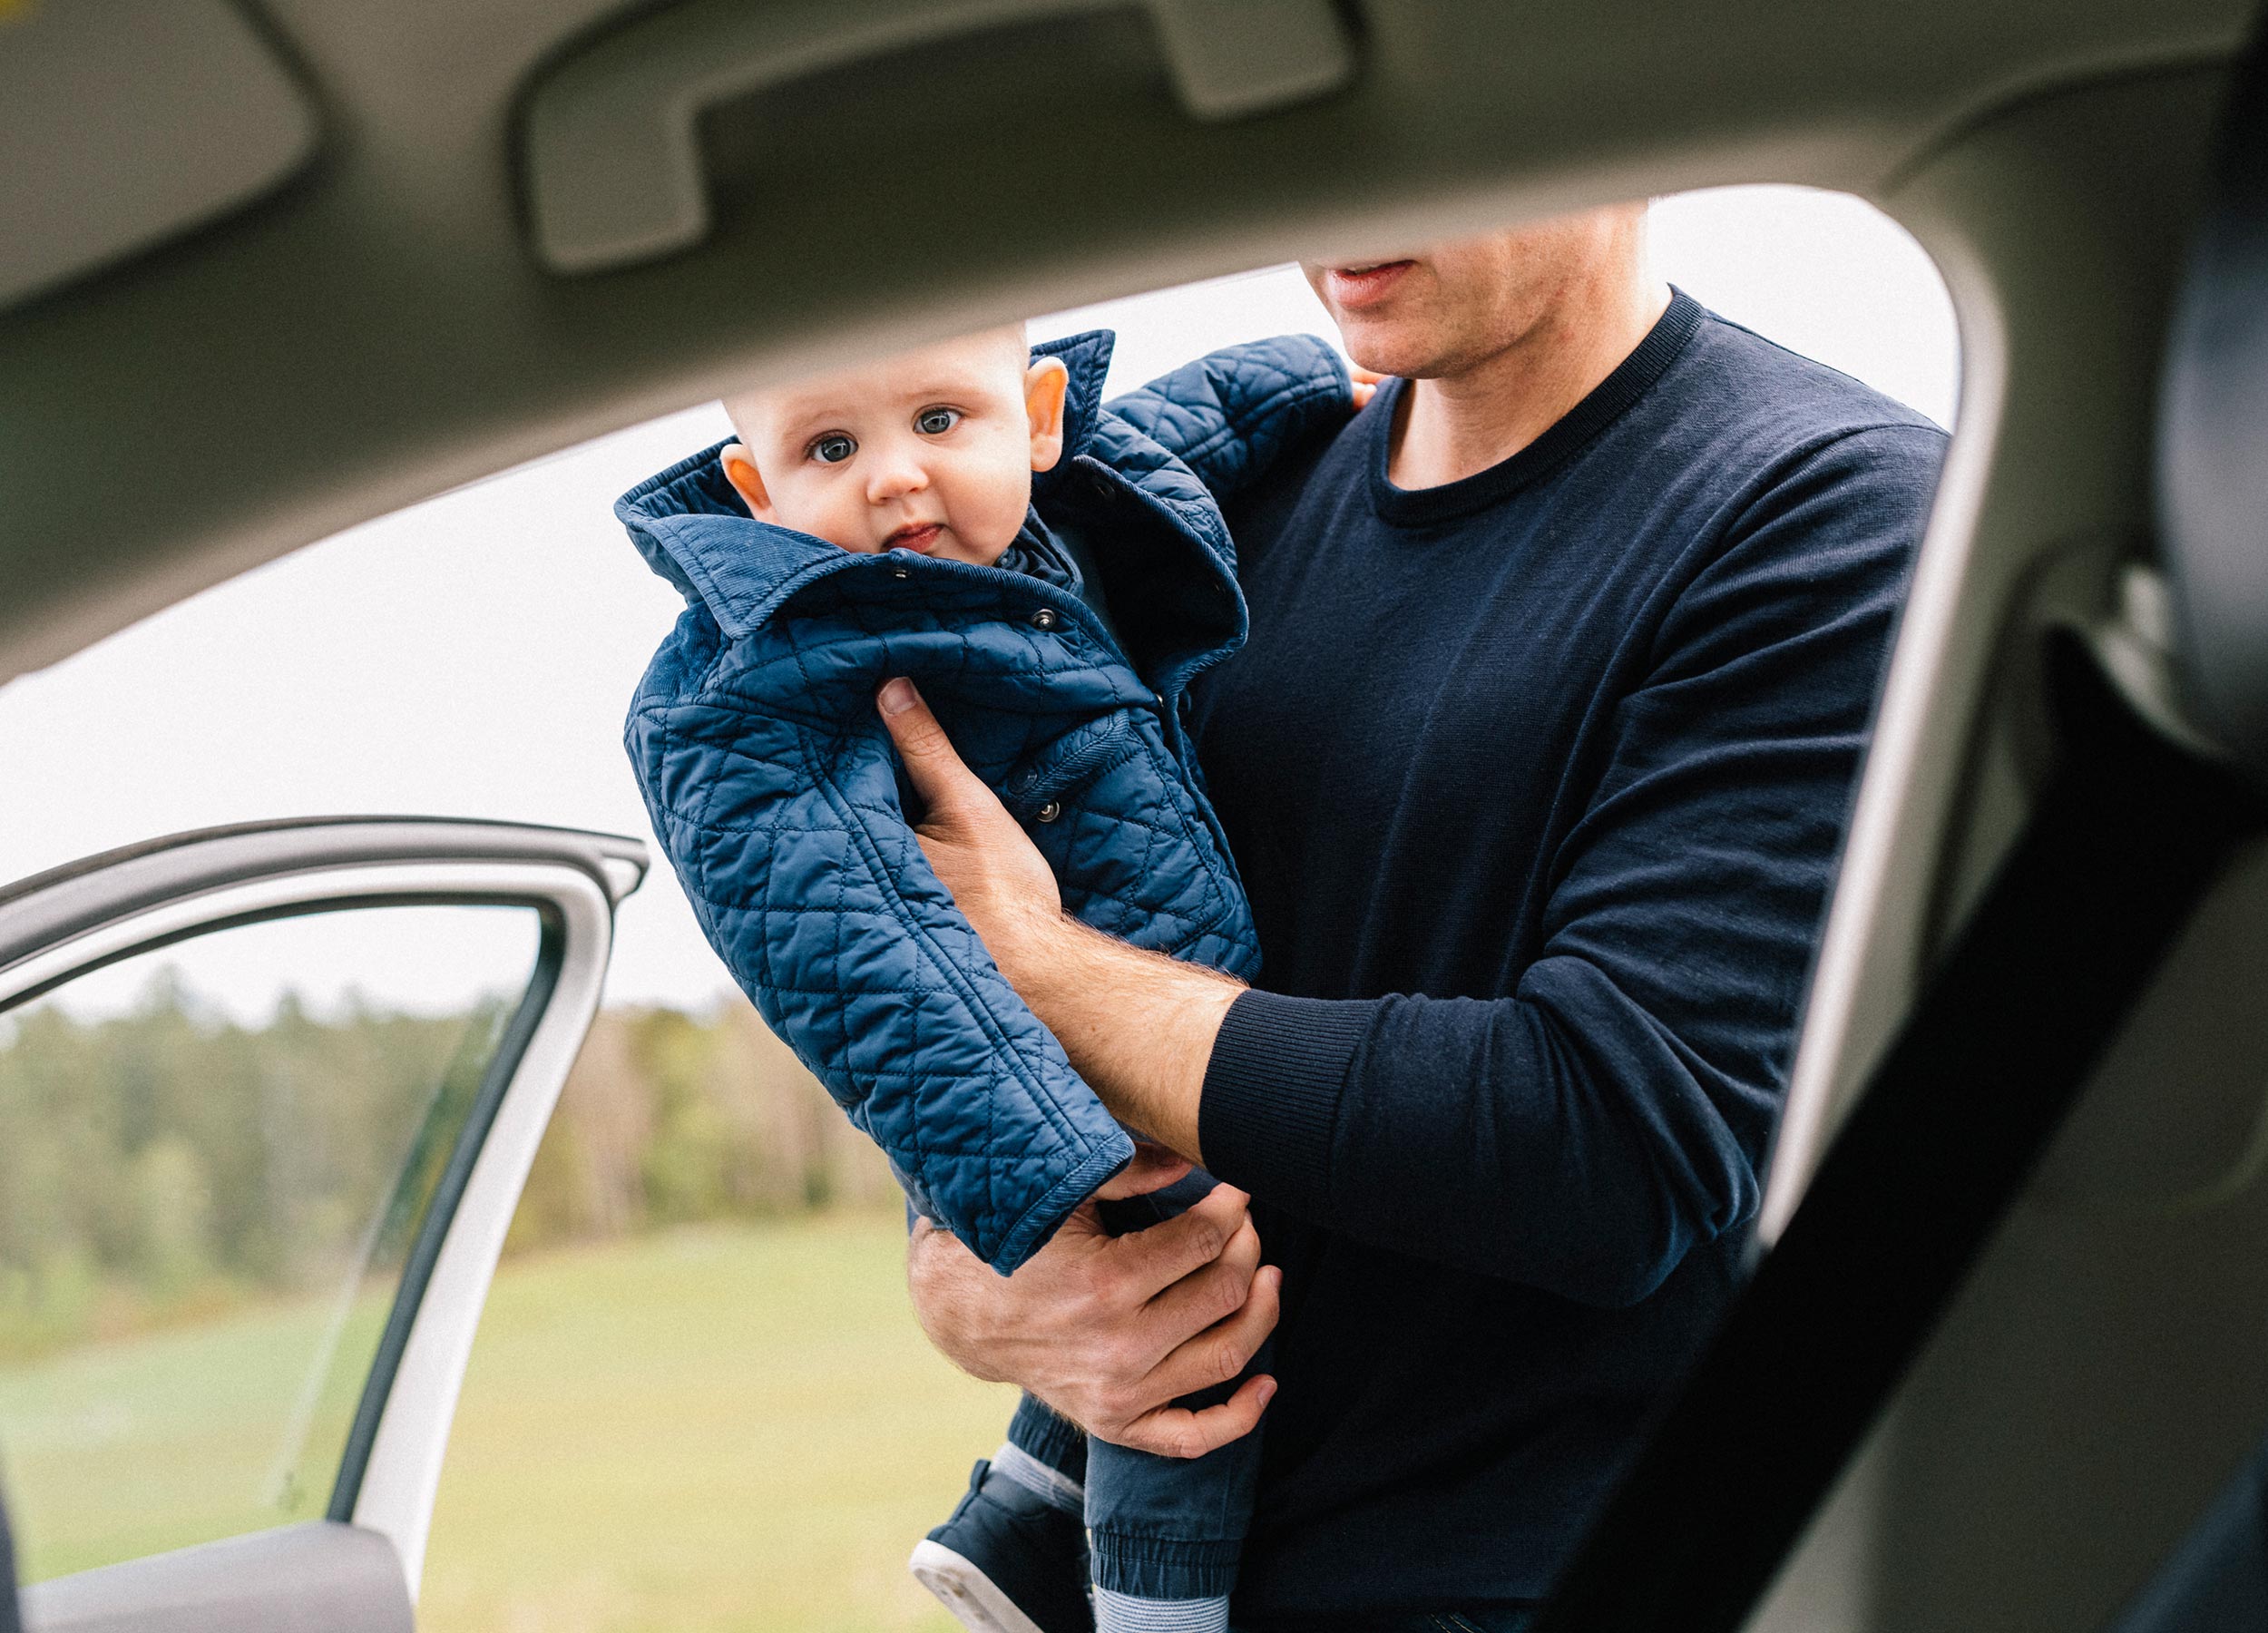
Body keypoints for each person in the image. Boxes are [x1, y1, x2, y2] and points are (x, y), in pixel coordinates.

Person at [886, 204, 1950, 1630]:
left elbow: (1606, 1144)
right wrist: (967, 1282)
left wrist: (1029, 969)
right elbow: (1039, 924)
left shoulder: (1825, 512)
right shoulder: (1228, 501)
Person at [616, 323, 1369, 1633]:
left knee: (1197, 1286)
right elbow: (837, 942)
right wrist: (1054, 1166)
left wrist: (1311, 380)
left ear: (1037, 418)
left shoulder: (1066, 507)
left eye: (938, 421)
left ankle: (1019, 1517)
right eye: (830, 447)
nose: (897, 475)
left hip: (1156, 1000)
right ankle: (1155, 1608)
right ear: (756, 489)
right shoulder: (757, 677)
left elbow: (1192, 423)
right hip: (1033, 1073)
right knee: (1186, 1330)